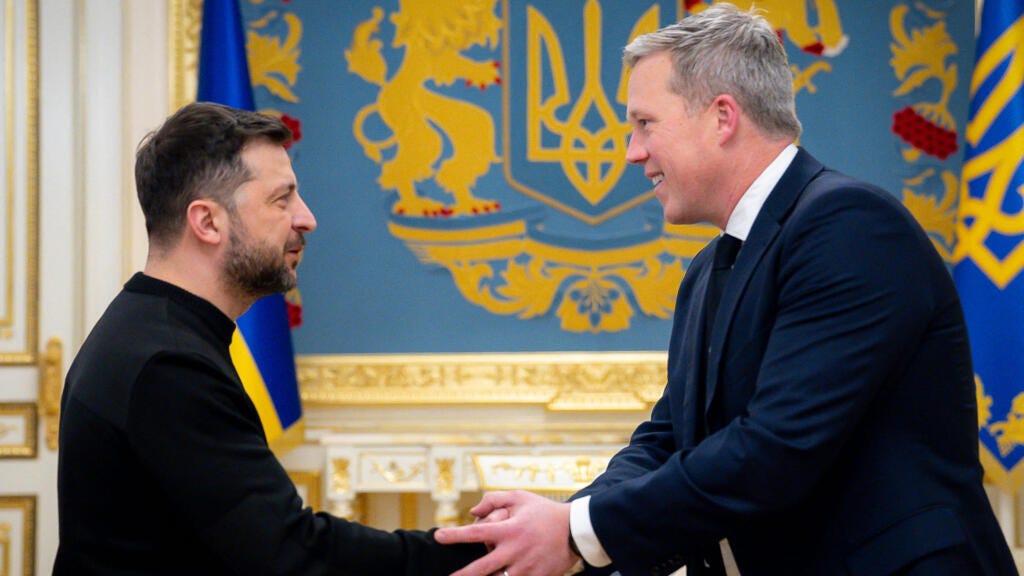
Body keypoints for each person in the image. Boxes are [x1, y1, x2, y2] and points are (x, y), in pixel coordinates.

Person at [435, 4, 1018, 575]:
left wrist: (576, 532)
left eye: (645, 123)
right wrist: (567, 522)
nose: (633, 152)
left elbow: (776, 449)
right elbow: (669, 439)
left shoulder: (850, 227)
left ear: (722, 117)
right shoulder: (711, 267)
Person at [54, 102, 484, 575]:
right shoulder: (166, 364)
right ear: (208, 222)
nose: (307, 219)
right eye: (282, 200)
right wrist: (484, 553)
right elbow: (291, 555)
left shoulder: (153, 329)